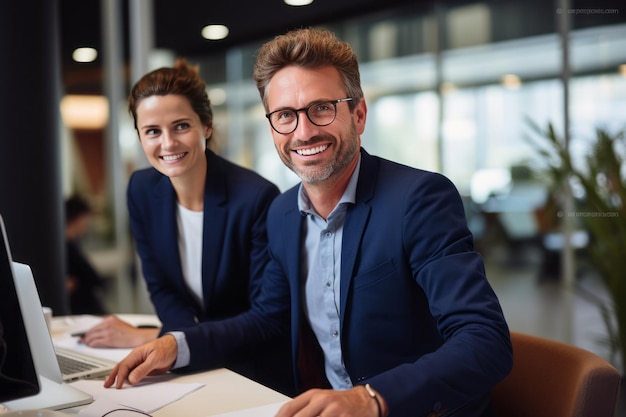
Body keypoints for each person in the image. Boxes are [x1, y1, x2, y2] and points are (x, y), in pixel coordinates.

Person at [104, 29, 513, 417]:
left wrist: (370, 400)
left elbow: (485, 339)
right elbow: (266, 319)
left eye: (321, 108)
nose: (303, 131)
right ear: (271, 126)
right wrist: (179, 345)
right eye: (285, 115)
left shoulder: (419, 199)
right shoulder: (282, 214)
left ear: (358, 114)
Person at [82, 59, 293, 395]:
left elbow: (264, 319)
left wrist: (171, 343)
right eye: (152, 131)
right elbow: (162, 287)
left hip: (251, 371)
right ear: (138, 135)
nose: (167, 143)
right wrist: (172, 342)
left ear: (206, 126)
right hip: (192, 369)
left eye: (181, 126)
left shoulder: (255, 198)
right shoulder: (142, 189)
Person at [65, 194, 108, 315]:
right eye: (86, 218)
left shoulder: (72, 245)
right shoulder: (65, 249)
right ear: (78, 218)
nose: (87, 224)